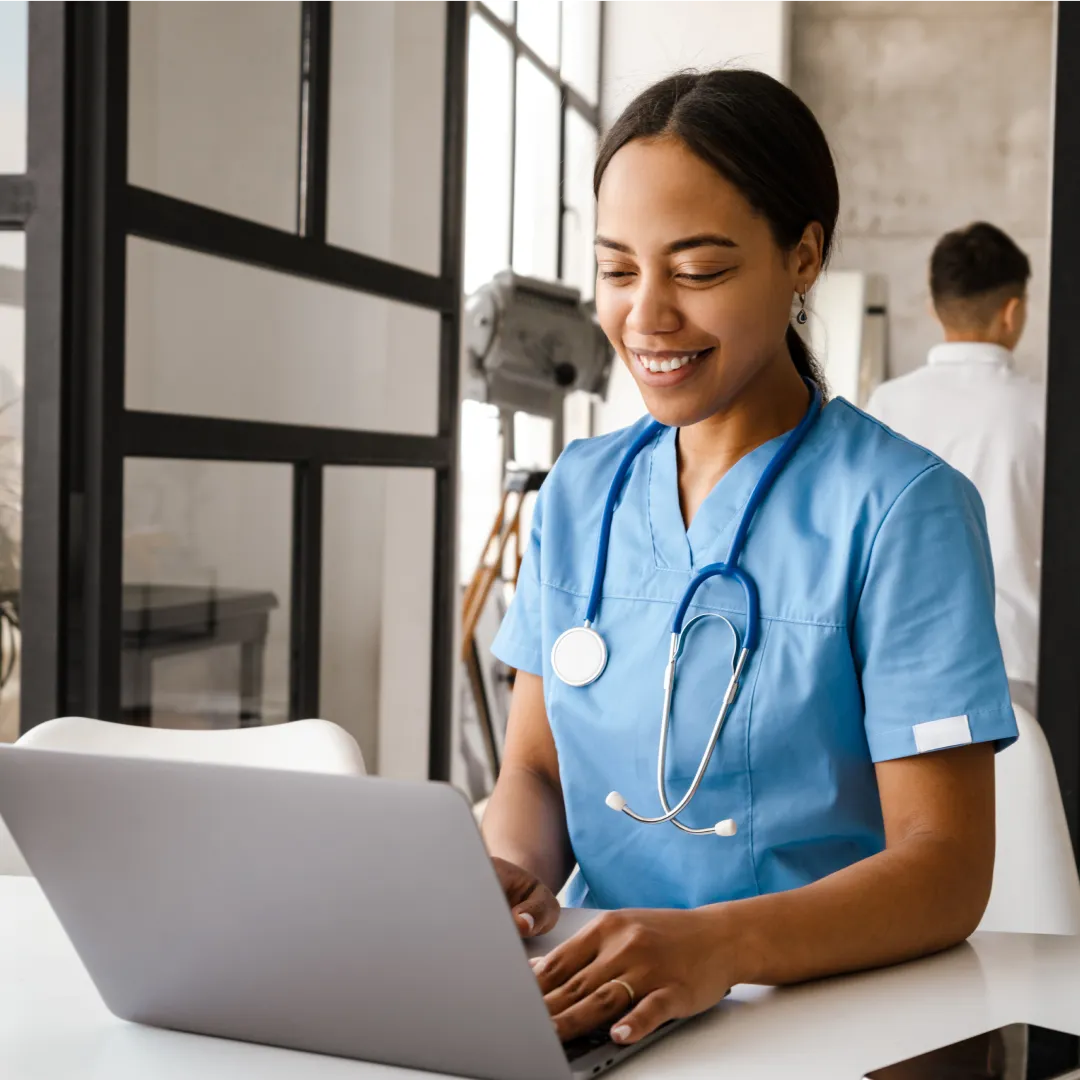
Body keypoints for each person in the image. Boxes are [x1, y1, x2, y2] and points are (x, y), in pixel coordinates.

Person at [481, 69, 1017, 1050]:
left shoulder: (903, 509)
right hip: (603, 1004)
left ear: (801, 256)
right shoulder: (579, 493)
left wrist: (715, 948)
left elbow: (945, 867)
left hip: (822, 1015)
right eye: (617, 269)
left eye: (698, 271)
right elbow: (535, 771)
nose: (647, 317)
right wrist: (502, 871)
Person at [866, 223, 1044, 714]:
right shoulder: (1046, 411)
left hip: (902, 654)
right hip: (1013, 658)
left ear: (934, 307)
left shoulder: (886, 404)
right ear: (1013, 312)